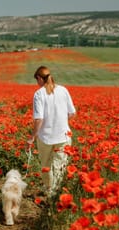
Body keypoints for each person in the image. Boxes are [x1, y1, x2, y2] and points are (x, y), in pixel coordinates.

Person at [27, 65, 76, 197]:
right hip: (64, 136)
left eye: (37, 80)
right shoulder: (63, 90)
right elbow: (72, 113)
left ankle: (49, 191)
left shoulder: (39, 94)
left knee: (46, 166)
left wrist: (32, 137)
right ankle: (55, 194)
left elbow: (38, 119)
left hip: (46, 138)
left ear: (39, 78)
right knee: (59, 166)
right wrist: (60, 121)